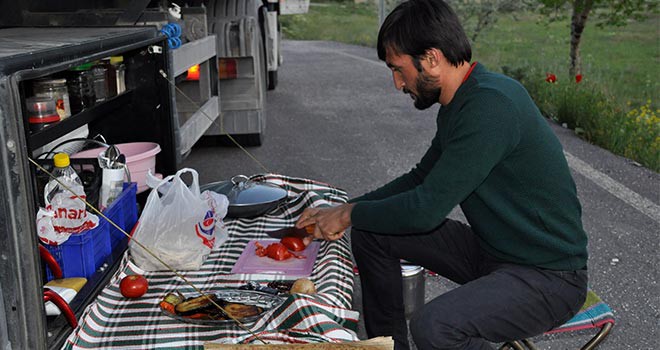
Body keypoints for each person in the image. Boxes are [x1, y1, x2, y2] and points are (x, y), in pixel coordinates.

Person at [295, 0, 588, 349]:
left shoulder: (490, 107)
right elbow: (420, 179)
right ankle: (388, 345)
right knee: (373, 230)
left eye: (399, 69)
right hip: (494, 254)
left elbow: (425, 209)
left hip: (548, 277)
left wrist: (348, 213)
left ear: (432, 58)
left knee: (435, 326)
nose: (397, 83)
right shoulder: (461, 104)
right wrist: (344, 211)